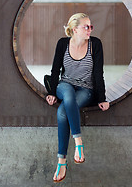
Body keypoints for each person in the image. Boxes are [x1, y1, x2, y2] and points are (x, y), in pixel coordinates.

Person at [46, 13, 110, 183]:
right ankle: (78, 142)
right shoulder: (62, 44)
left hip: (85, 89)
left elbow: (98, 73)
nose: (90, 29)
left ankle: (61, 162)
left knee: (62, 112)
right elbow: (55, 70)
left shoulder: (95, 44)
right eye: (86, 26)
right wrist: (52, 92)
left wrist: (102, 98)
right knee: (67, 94)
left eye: (91, 26)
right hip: (65, 85)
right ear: (75, 29)